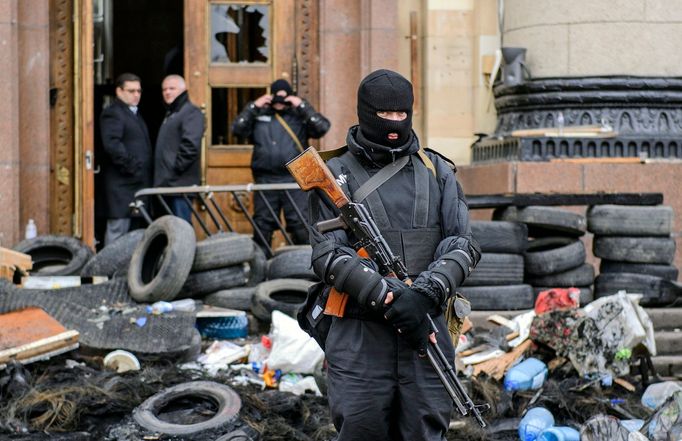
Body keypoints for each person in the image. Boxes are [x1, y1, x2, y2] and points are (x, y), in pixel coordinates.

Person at [306, 69, 481, 441]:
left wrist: (427, 293)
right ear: (365, 113)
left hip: (425, 330)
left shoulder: (438, 171)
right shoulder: (332, 175)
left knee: (425, 430)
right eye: (386, 115)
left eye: (403, 114)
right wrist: (384, 292)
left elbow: (463, 244)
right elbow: (327, 255)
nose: (396, 123)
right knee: (361, 429)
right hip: (359, 335)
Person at [232, 79, 330, 250]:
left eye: (284, 98)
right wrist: (254, 106)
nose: (280, 101)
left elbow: (321, 127)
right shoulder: (259, 114)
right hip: (265, 179)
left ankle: (304, 266)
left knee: (300, 224)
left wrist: (301, 105)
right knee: (263, 225)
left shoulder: (298, 116)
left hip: (294, 180)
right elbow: (237, 130)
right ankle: (260, 268)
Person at [99, 73, 153, 245]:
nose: (136, 95)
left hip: (135, 185)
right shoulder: (113, 113)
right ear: (119, 91)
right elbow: (113, 146)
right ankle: (109, 271)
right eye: (131, 91)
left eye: (138, 91)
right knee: (117, 232)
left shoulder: (133, 113)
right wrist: (133, 167)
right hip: (121, 186)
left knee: (133, 235)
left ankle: (128, 272)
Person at [153, 75, 204, 223]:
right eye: (164, 89)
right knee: (171, 227)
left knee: (182, 228)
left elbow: (190, 145)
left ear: (183, 90)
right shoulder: (172, 113)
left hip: (180, 184)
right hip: (169, 184)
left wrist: (175, 170)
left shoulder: (191, 112)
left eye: (172, 88)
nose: (167, 92)